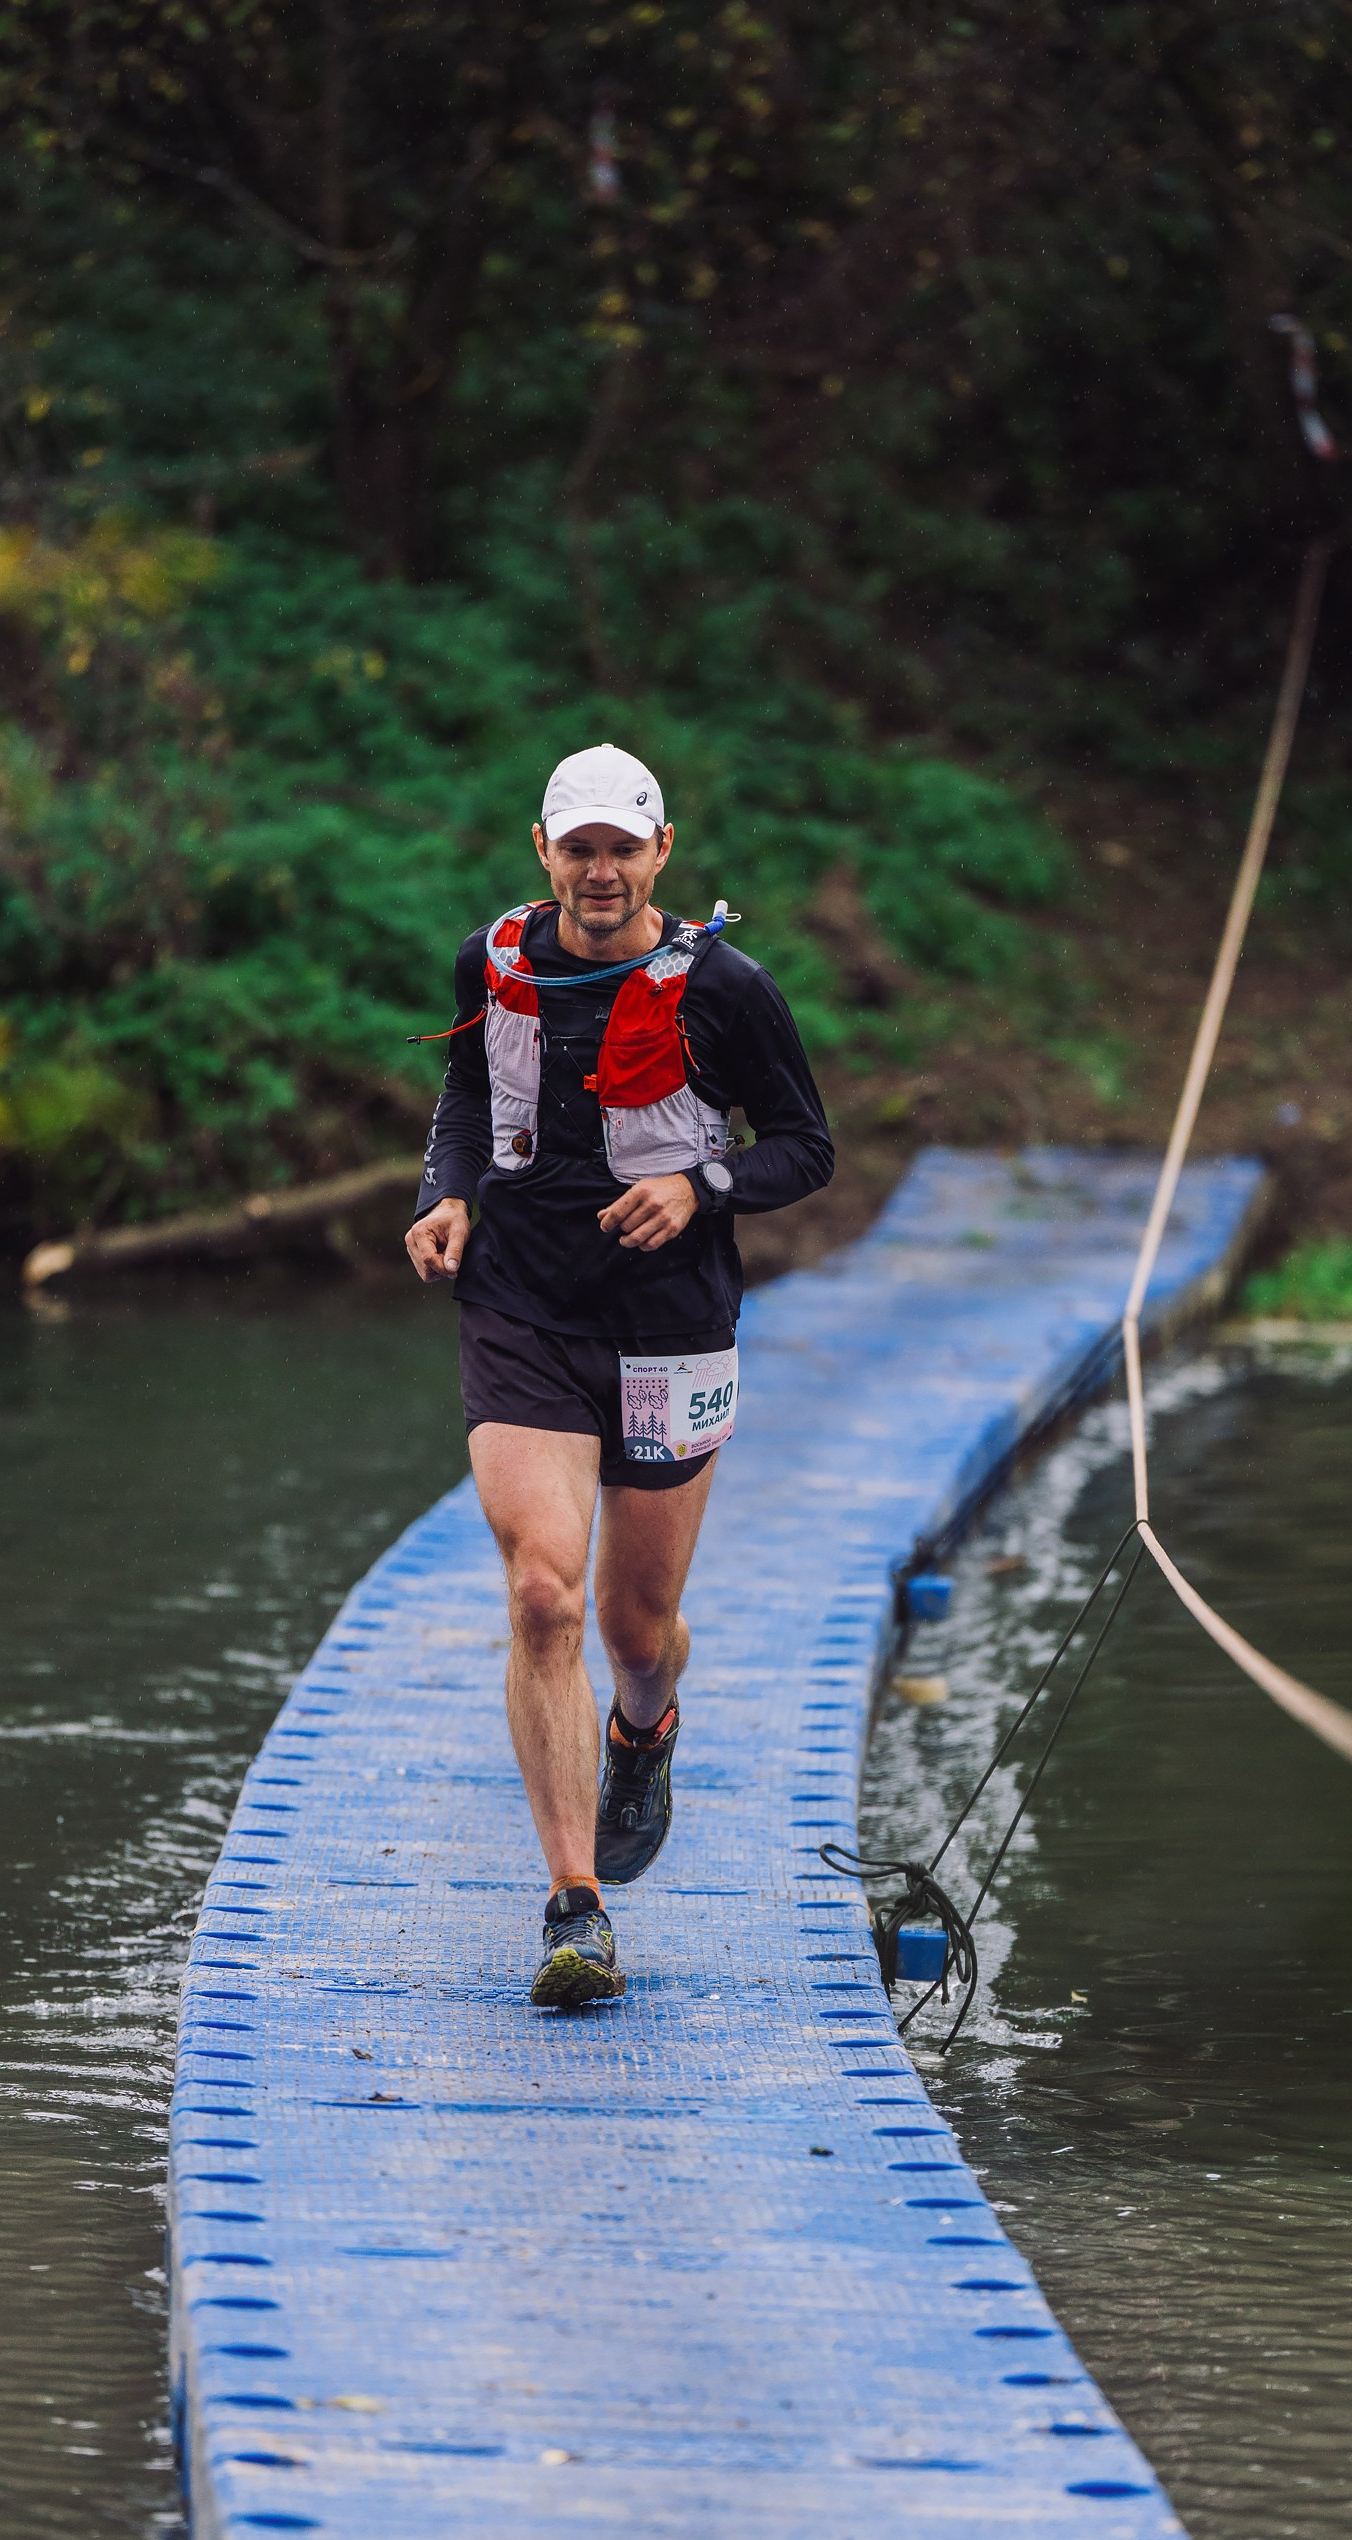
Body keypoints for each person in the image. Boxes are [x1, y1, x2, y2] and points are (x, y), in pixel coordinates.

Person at [404, 744, 835, 2006]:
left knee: (631, 1628)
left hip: (670, 1322)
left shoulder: (727, 990)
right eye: (575, 846)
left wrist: (697, 1184)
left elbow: (804, 1150)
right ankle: (574, 1909)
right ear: (542, 851)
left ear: (659, 856)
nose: (599, 870)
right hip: (522, 1310)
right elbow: (466, 1099)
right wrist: (445, 1197)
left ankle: (644, 1723)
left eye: (621, 848)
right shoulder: (496, 964)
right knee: (544, 1592)